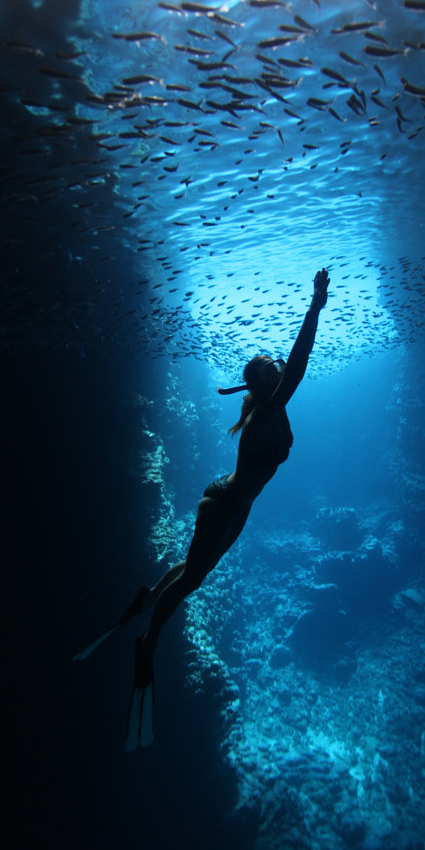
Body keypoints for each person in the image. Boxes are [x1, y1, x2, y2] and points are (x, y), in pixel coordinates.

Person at [74, 268, 329, 750]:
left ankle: (149, 593)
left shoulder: (268, 403)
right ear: (264, 382)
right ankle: (148, 642)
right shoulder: (264, 414)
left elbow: (286, 367)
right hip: (223, 504)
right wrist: (315, 304)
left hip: (238, 506)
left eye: (273, 368)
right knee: (193, 580)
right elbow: (298, 363)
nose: (278, 369)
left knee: (195, 570)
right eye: (271, 370)